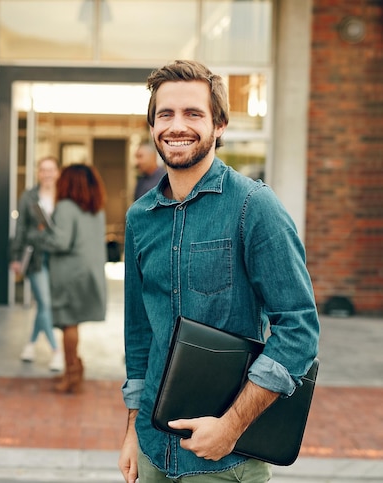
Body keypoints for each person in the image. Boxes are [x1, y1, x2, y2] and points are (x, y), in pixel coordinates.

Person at [118, 60, 320, 482]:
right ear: (152, 125)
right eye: (165, 114)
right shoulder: (140, 217)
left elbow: (299, 328)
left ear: (220, 124)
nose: (177, 126)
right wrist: (132, 431)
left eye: (193, 113)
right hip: (153, 448)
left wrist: (229, 427)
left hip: (225, 460)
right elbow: (139, 334)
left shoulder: (254, 207)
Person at [28, 163, 108, 394]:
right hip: (88, 272)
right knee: (73, 323)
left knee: (68, 323)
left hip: (69, 275)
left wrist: (41, 234)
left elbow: (61, 242)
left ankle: (72, 374)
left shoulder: (65, 207)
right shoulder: (95, 207)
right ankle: (75, 370)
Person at [10, 156, 64, 372]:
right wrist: (15, 257)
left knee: (43, 305)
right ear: (38, 173)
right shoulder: (29, 196)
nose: (47, 174)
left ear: (58, 172)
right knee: (46, 303)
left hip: (57, 257)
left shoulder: (63, 196)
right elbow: (21, 227)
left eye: (51, 169)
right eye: (43, 170)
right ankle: (56, 351)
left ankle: (31, 345)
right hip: (35, 257)